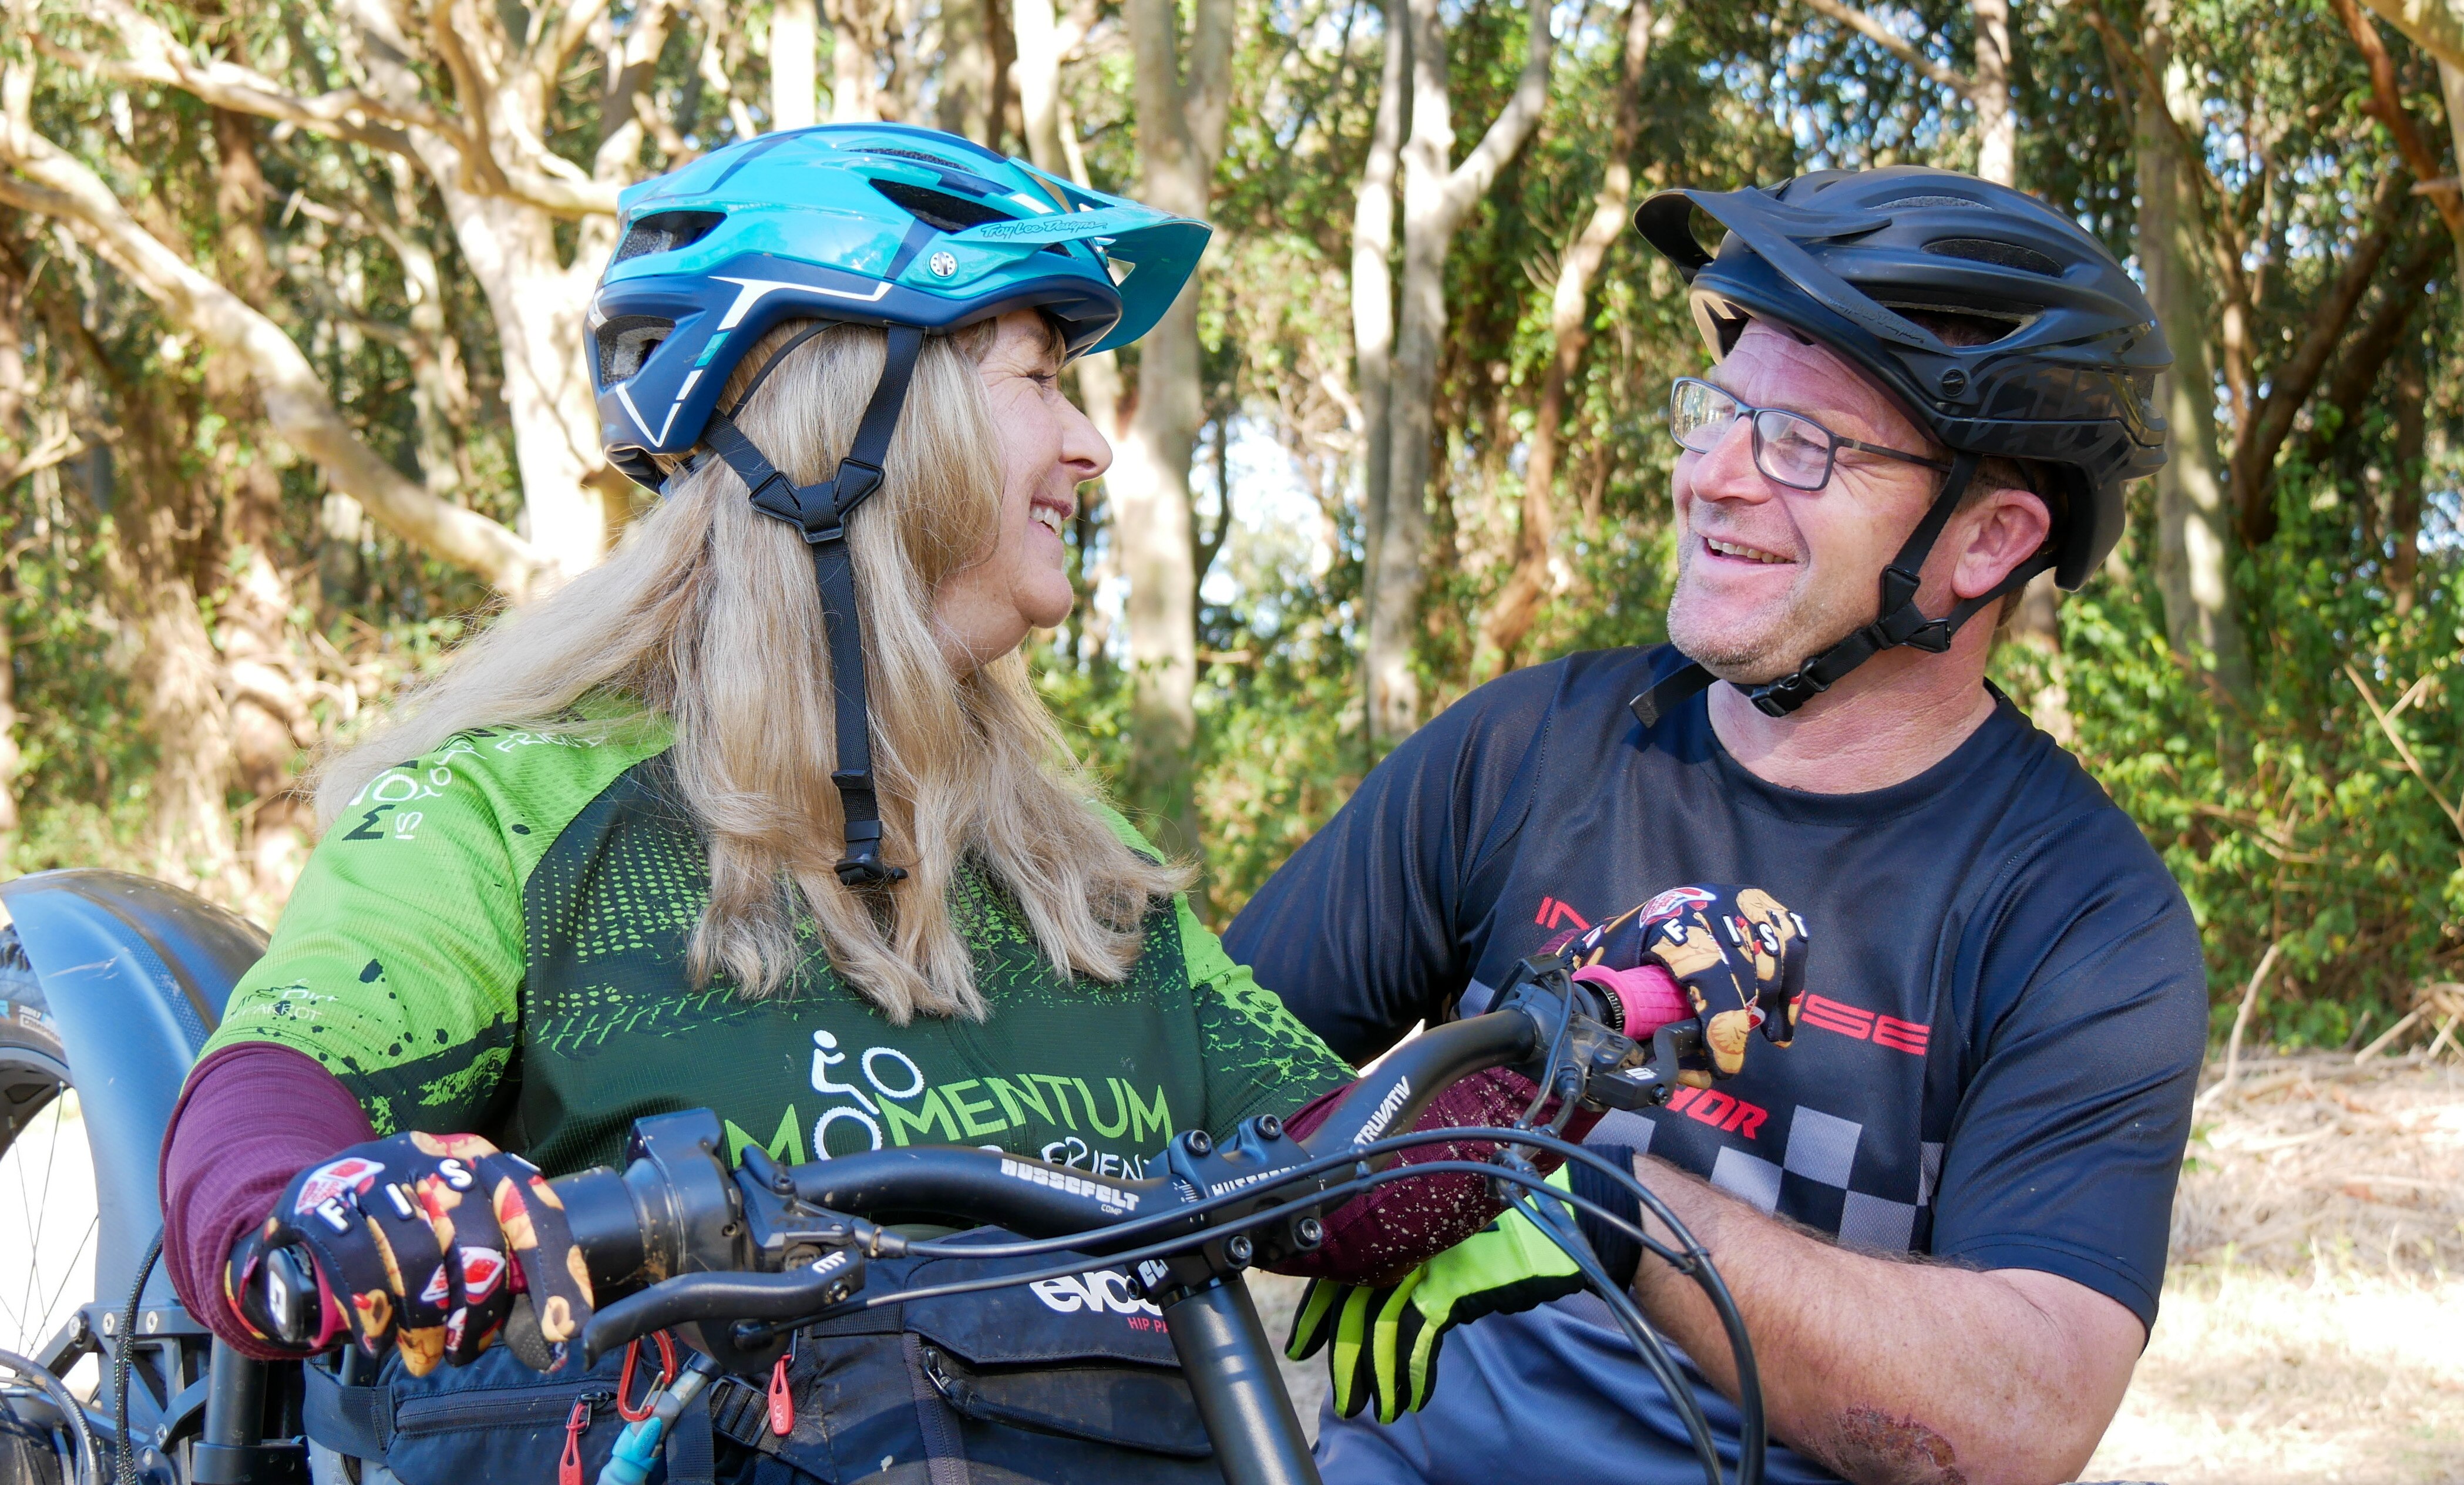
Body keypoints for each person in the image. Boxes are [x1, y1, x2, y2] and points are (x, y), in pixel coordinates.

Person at [156, 122, 1784, 1484]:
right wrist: (331, 1209)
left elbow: (1345, 1190)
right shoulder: (512, 816)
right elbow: (259, 1115)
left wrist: (1579, 1034)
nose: (1088, 446)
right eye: (1040, 375)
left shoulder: (1082, 891)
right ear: (846, 414)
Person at [1231, 165, 2210, 1485]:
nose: (1713, 478)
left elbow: (2021, 1417)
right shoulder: (1527, 749)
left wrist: (1597, 1199)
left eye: (1803, 444)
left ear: (1986, 541)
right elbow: (1191, 1074)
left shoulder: (2082, 913)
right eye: (1717, 412)